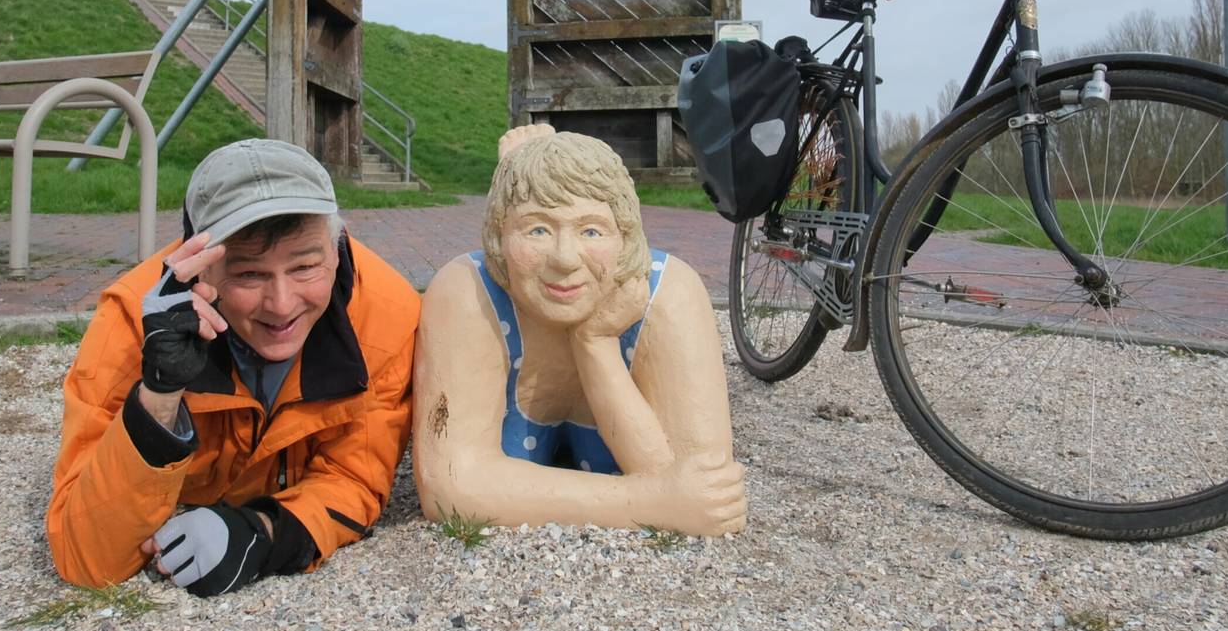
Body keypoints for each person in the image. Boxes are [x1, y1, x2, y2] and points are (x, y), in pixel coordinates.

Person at [47, 138, 420, 595]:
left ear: (337, 250)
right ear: (200, 269)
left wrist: (264, 532)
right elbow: (85, 557)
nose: (281, 305)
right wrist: (159, 396)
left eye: (304, 267)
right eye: (249, 275)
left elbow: (354, 478)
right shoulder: (129, 324)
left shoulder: (388, 315)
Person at [413, 125, 747, 535]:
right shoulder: (466, 290)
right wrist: (651, 503)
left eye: (591, 230)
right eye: (537, 229)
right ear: (499, 238)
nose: (565, 258)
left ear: (625, 237)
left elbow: (701, 484)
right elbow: (450, 486)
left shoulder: (669, 293)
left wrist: (597, 344)